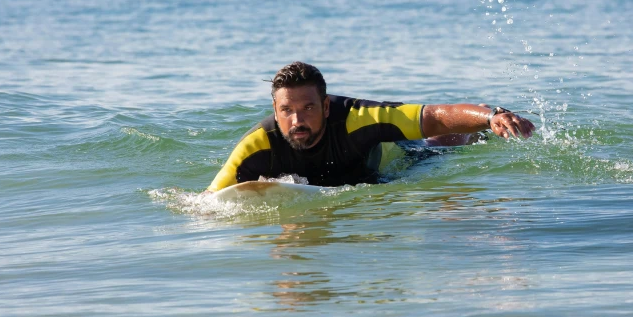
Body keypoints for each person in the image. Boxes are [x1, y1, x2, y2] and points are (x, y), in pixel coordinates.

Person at [206, 61, 535, 191]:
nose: (297, 120)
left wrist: (489, 116)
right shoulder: (257, 145)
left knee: (437, 145)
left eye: (307, 108)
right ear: (275, 112)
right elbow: (209, 201)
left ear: (325, 105)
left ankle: (480, 131)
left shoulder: (356, 119)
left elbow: (433, 115)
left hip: (393, 162)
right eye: (287, 110)